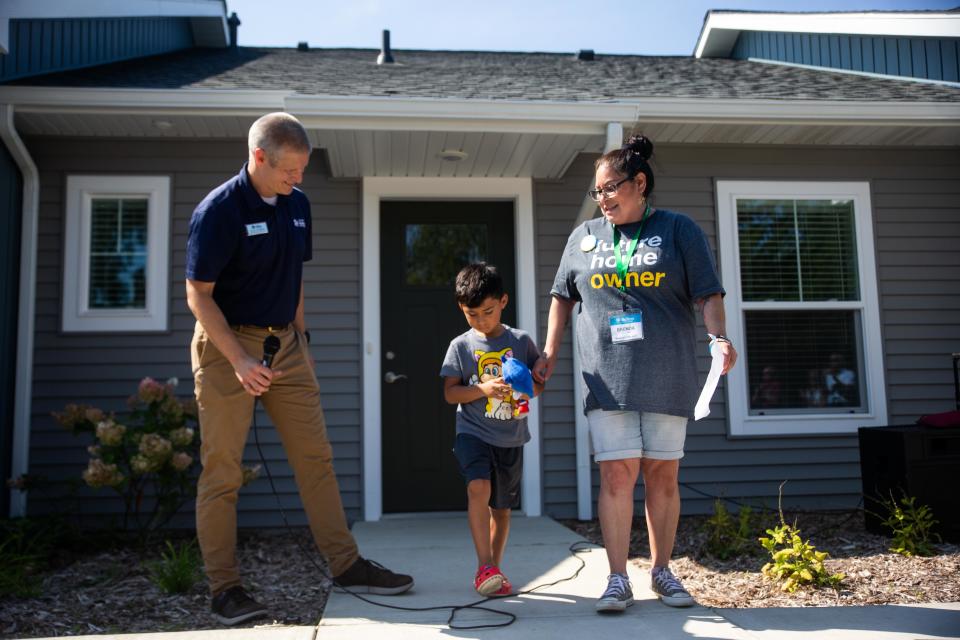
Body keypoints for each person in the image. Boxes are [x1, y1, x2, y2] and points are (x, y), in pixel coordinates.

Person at [186, 112, 413, 626]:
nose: (298, 179)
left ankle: (346, 564)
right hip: (227, 347)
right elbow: (197, 295)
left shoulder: (298, 205)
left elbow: (294, 277)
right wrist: (239, 359)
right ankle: (225, 589)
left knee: (317, 458)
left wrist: (302, 342)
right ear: (259, 157)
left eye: (304, 170)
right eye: (290, 169)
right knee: (222, 472)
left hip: (285, 344)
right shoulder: (219, 211)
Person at [532, 135, 736, 613]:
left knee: (663, 475)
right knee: (617, 475)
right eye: (596, 192)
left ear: (639, 184)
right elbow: (562, 297)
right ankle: (619, 578)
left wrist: (718, 338)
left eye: (610, 189)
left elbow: (707, 293)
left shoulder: (677, 229)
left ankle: (663, 571)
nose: (602, 199)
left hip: (667, 374)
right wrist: (549, 352)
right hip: (606, 378)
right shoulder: (584, 236)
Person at [440, 263, 543, 596]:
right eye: (472, 314)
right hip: (472, 431)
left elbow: (536, 386)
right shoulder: (461, 346)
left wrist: (524, 389)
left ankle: (493, 571)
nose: (481, 321)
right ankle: (483, 564)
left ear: (503, 301)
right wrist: (483, 390)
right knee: (477, 488)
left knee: (501, 508)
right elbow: (450, 392)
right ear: (461, 309)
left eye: (487, 311)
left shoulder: (521, 341)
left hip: (510, 436)